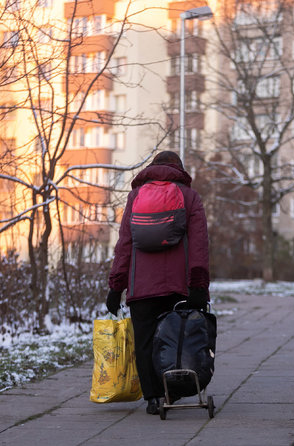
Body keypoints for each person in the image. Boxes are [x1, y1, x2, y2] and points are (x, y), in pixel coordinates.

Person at [106, 150, 210, 415]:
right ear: (179, 169)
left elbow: (125, 244)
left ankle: (152, 398)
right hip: (179, 285)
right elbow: (199, 245)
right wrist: (198, 285)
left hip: (141, 286)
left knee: (144, 341)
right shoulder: (190, 196)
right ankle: (172, 390)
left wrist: (116, 286)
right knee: (176, 338)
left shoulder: (135, 196)